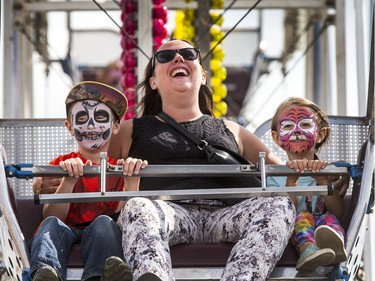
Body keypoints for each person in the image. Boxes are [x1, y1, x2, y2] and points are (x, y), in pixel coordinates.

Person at [104, 38, 296, 281]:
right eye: (165, 57)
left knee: (279, 205)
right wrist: (53, 179)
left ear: (203, 76)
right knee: (138, 206)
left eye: (188, 53)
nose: (178, 58)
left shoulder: (232, 130)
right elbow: (89, 156)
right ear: (153, 81)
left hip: (228, 213)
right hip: (167, 211)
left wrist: (314, 170)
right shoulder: (130, 130)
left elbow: (284, 174)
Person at [29, 81, 147, 281]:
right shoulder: (59, 165)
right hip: (64, 230)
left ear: (115, 125)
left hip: (101, 233)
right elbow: (50, 214)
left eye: (100, 117)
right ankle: (46, 271)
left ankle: (102, 274)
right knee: (50, 224)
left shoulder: (119, 168)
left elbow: (125, 219)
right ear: (69, 126)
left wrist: (132, 183)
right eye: (82, 118)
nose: (91, 125)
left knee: (104, 224)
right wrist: (68, 181)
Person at [267, 96, 348, 272]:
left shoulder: (329, 173)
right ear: (277, 138)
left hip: (322, 226)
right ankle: (308, 250)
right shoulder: (272, 178)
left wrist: (322, 180)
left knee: (329, 219)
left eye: (305, 124)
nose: (297, 131)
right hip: (292, 230)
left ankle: (336, 247)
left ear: (320, 134)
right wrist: (291, 180)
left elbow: (338, 211)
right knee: (301, 218)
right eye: (288, 126)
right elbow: (283, 214)